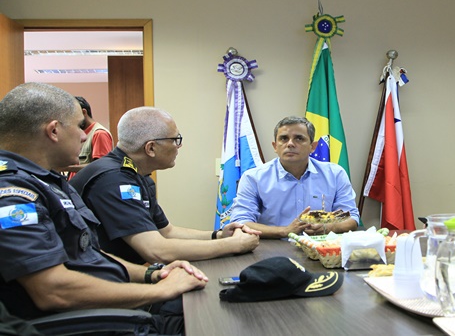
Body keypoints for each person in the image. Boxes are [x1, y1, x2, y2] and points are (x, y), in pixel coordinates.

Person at [0, 83, 207, 334]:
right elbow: (53, 290)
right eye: (79, 126)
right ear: (54, 131)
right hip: (70, 320)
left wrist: (153, 275)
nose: (85, 135)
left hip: (96, 304)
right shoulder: (12, 191)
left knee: (199, 299)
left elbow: (89, 255)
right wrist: (159, 290)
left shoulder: (48, 182)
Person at [70, 107, 260, 265]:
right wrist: (235, 245)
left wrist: (219, 235)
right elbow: (156, 251)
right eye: (175, 140)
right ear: (151, 148)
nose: (179, 146)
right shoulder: (113, 179)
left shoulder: (138, 175)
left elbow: (167, 232)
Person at [229, 116, 360, 239]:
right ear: (275, 146)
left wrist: (329, 227)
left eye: (299, 138)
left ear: (312, 147)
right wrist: (285, 231)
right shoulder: (253, 178)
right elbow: (241, 222)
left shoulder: (335, 174)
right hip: (272, 250)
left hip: (322, 250)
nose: (290, 144)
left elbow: (351, 218)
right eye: (284, 139)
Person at [62, 96, 113, 179]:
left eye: (72, 117)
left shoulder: (99, 133)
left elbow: (101, 167)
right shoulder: (81, 133)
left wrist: (67, 167)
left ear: (83, 112)